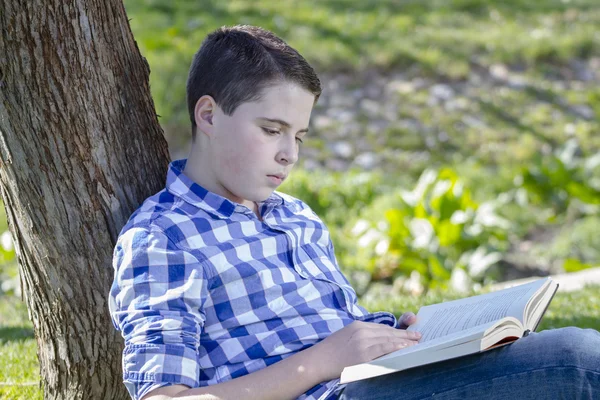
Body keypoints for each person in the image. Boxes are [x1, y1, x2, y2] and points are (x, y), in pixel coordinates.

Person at [108, 25, 600, 400]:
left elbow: (331, 324)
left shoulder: (294, 217)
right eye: (272, 129)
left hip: (374, 381)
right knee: (576, 362)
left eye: (298, 136)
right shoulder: (164, 238)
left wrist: (393, 331)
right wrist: (323, 361)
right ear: (209, 115)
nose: (289, 154)